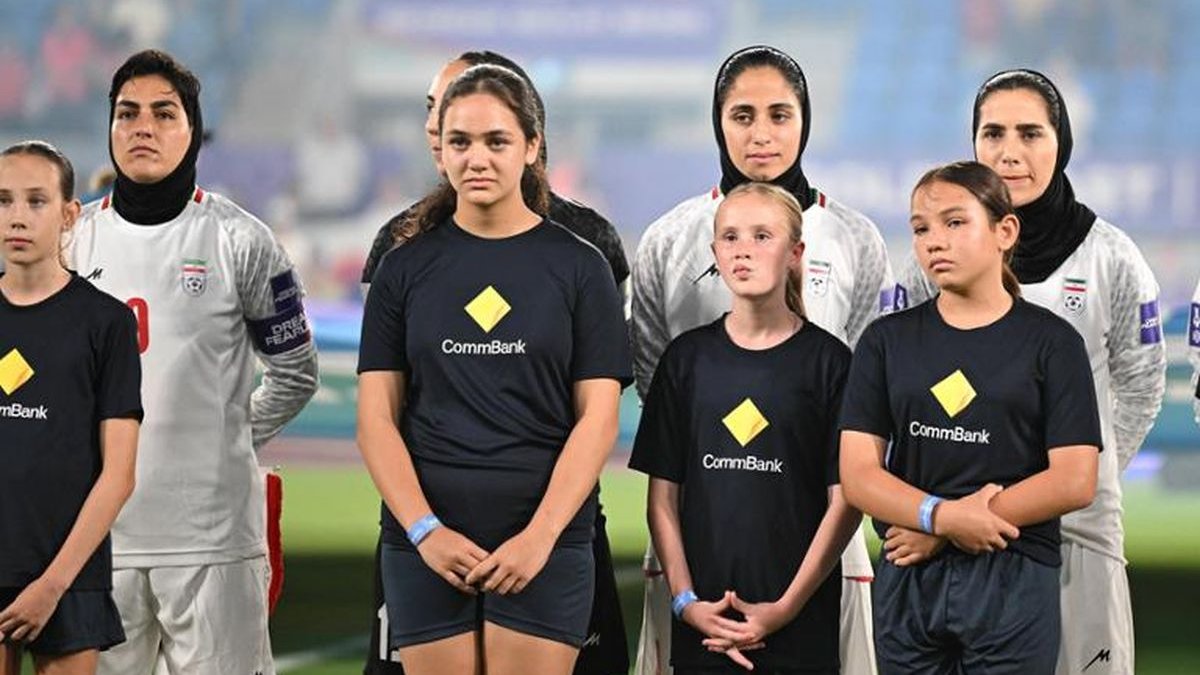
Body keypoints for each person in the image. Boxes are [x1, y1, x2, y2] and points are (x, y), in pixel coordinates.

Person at [359, 50, 631, 675]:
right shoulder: (402, 267)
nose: (476, 158)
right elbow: (376, 420)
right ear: (441, 149)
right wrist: (425, 532)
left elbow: (598, 421)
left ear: (532, 146)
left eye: (496, 141)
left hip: (546, 544)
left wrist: (539, 538)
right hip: (426, 545)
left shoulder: (581, 267)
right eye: (460, 141)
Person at [630, 45, 892, 675]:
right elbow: (654, 377)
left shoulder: (856, 238)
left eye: (780, 115)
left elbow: (870, 389)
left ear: (805, 121)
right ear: (717, 122)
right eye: (742, 116)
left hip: (821, 534)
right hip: (699, 533)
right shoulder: (669, 237)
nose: (762, 134)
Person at [896, 70, 1167, 674]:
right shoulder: (933, 255)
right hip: (953, 523)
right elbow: (902, 384)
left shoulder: (1111, 256)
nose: (1009, 152)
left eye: (1030, 133)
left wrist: (1081, 476)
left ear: (1061, 142)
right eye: (993, 134)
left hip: (1076, 526)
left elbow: (1141, 385)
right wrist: (943, 509)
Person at [68, 49, 319, 675]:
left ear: (193, 128)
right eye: (127, 114)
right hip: (97, 541)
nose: (142, 128)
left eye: (163, 113)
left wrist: (228, 433)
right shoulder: (70, 243)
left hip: (215, 541)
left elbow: (296, 372)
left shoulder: (242, 240)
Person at [841, 160, 1102, 674]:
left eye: (955, 222)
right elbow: (858, 474)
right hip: (909, 572)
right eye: (921, 229)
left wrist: (948, 525)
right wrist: (942, 517)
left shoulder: (1053, 343)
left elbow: (1075, 479)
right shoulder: (885, 341)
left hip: (1013, 571)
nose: (934, 241)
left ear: (1005, 231)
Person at [630, 182, 861, 674]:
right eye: (730, 237)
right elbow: (662, 500)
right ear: (715, 252)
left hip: (799, 629)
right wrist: (686, 602)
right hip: (703, 628)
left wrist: (785, 608)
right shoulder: (686, 360)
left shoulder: (831, 364)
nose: (743, 250)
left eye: (762, 236)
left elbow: (844, 502)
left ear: (795, 254)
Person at [0, 141, 141, 675]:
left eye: (36, 201)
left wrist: (52, 585)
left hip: (69, 576)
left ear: (68, 214)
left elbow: (119, 475)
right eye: (3, 200)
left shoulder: (106, 324)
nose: (17, 216)